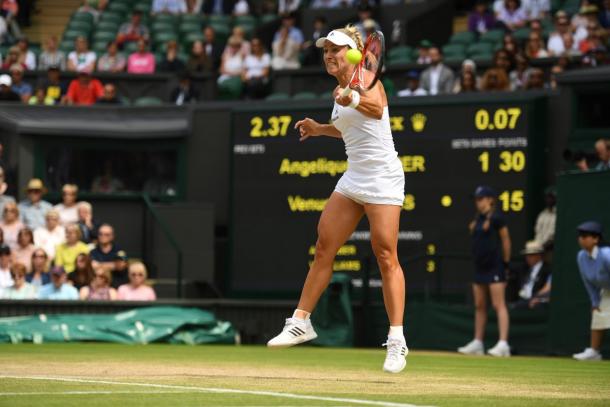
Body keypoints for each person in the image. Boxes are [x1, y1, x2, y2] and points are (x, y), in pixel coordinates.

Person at [267, 26, 409, 374]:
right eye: (325, 50)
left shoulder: (368, 80)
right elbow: (348, 126)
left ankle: (396, 340)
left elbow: (375, 109)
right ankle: (301, 322)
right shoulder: (339, 90)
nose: (330, 55)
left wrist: (355, 98)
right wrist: (319, 128)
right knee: (324, 247)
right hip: (354, 176)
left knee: (385, 254)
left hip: (382, 177)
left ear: (354, 52)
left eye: (336, 49)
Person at [458, 186, 512, 357]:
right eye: (476, 199)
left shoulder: (497, 218)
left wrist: (505, 263)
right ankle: (478, 342)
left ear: (490, 199)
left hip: (495, 267)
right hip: (479, 267)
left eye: (481, 199)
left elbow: (506, 240)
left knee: (498, 304)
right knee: (479, 305)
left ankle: (503, 344)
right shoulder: (477, 220)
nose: (478, 202)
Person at [573, 221, 610, 361]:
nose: (581, 238)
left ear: (596, 239)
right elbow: (588, 282)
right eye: (580, 235)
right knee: (597, 316)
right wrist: (595, 301)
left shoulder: (607, 254)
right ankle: (594, 352)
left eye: (585, 235)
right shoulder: (581, 257)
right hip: (606, 290)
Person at [511, 240, 551, 308]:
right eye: (526, 255)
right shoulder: (523, 268)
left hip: (537, 301)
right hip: (522, 301)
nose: (528, 258)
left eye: (531, 255)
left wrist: (536, 298)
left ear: (539, 255)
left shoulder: (547, 269)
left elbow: (546, 289)